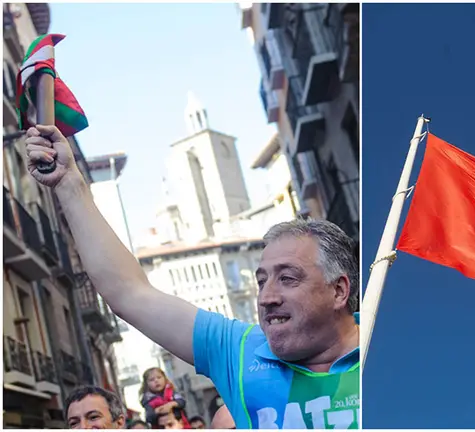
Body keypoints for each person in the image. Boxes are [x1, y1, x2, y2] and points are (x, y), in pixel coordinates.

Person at [26, 125, 361, 429]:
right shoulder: (240, 351)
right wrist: (69, 184)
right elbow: (127, 292)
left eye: (288, 278)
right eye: (261, 281)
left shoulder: (392, 347)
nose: (267, 297)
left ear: (339, 291)